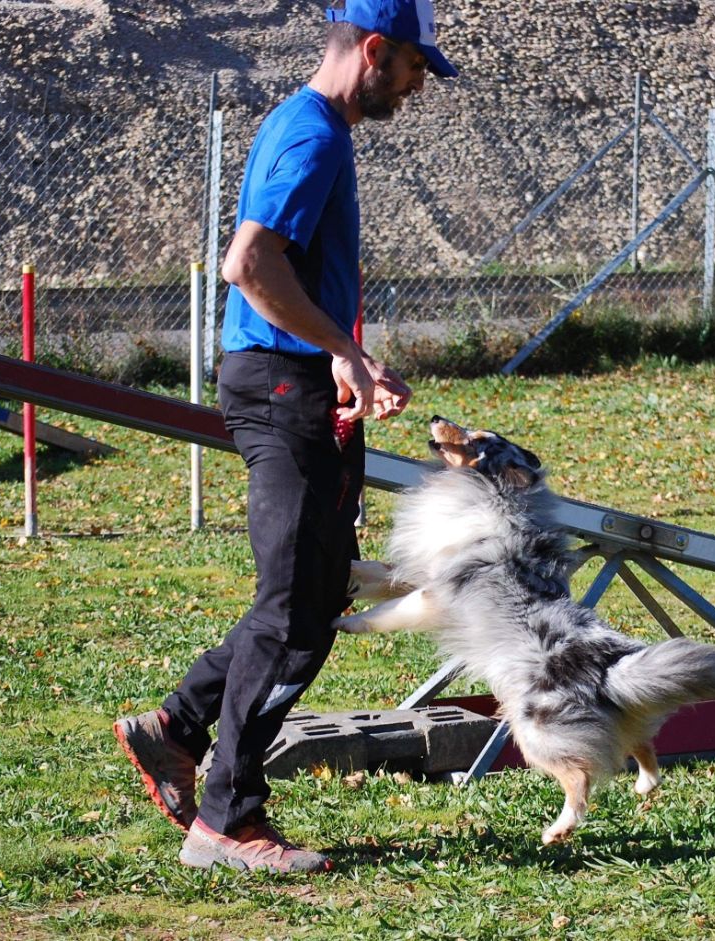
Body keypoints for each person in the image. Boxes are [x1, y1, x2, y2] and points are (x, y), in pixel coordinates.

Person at [113, 0, 458, 875]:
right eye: (416, 68)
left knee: (310, 597)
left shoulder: (305, 124)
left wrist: (340, 359)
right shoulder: (312, 139)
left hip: (293, 380)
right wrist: (341, 348)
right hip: (279, 388)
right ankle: (226, 819)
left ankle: (178, 727)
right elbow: (250, 263)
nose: (418, 87)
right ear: (375, 51)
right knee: (294, 611)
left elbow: (286, 275)